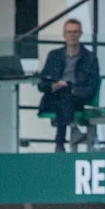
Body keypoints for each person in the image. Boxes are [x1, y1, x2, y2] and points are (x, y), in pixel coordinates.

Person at [37, 19, 100, 152]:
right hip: (53, 98)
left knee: (66, 93)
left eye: (75, 32)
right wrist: (53, 86)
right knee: (63, 94)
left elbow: (91, 88)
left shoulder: (90, 58)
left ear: (80, 34)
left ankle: (60, 143)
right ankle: (72, 128)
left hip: (77, 98)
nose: (72, 35)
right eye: (69, 32)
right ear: (64, 34)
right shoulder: (54, 56)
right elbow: (42, 84)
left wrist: (72, 89)